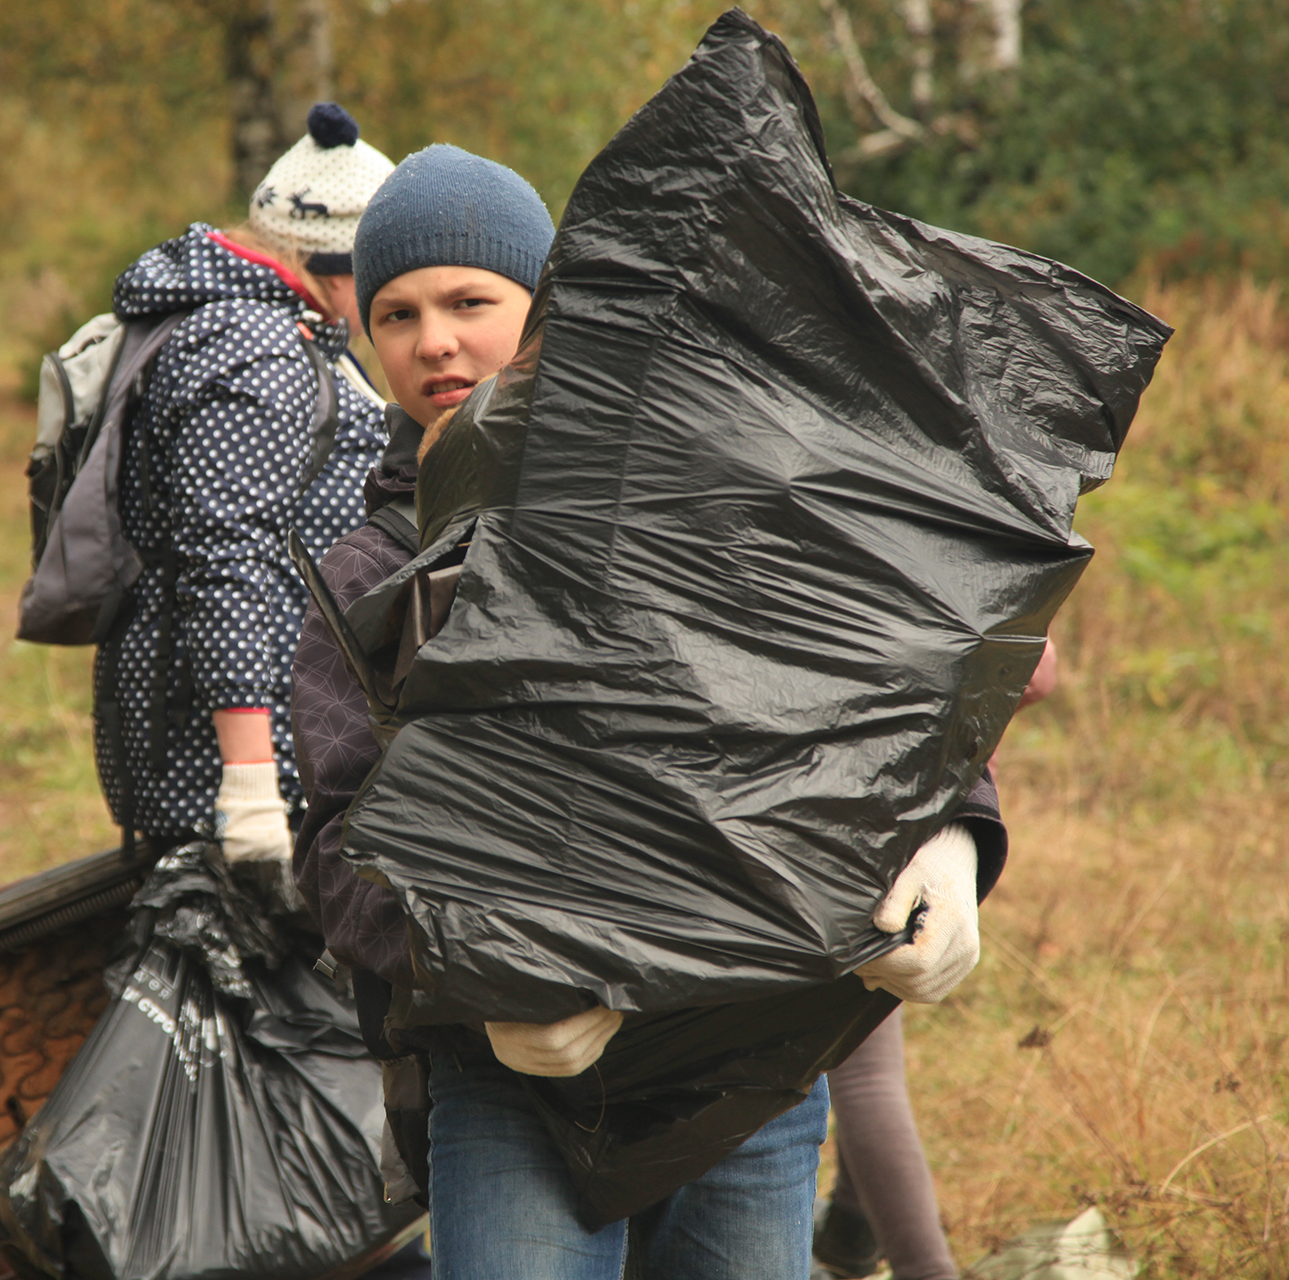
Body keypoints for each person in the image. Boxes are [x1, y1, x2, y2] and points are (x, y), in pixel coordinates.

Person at [292, 143, 1009, 1279]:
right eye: (396, 312)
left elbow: (879, 656)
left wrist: (956, 832)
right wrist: (476, 980)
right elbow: (335, 846)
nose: (434, 339)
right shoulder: (364, 567)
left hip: (741, 1053)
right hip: (510, 1080)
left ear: (545, 308)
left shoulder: (702, 484)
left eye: (471, 300)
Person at [90, 103, 394, 865]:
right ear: (337, 262)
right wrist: (252, 788)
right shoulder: (252, 346)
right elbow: (228, 561)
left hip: (257, 752)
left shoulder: (272, 329)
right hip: (234, 771)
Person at [815, 639, 1060, 1280]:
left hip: (851, 807)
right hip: (902, 804)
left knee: (860, 1065)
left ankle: (893, 1251)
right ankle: (867, 1236)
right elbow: (1039, 669)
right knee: (859, 1052)